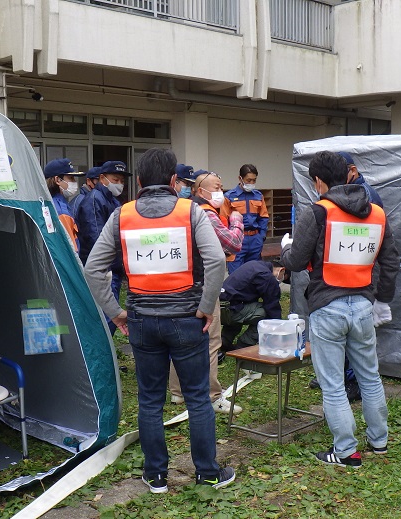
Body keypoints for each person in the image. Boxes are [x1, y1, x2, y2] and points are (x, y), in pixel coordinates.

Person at [83, 148, 235, 493]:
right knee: (197, 398)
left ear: (138, 182)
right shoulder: (190, 211)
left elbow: (93, 269)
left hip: (141, 321)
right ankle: (208, 473)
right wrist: (206, 306)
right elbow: (216, 262)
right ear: (173, 181)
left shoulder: (122, 215)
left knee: (150, 400)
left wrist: (117, 312)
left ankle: (155, 476)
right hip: (186, 320)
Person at [280, 151, 399, 467]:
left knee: (332, 385)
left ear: (319, 181)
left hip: (326, 306)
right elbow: (390, 260)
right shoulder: (375, 213)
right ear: (348, 174)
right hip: (363, 305)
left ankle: (346, 452)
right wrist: (382, 300)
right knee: (370, 378)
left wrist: (286, 248)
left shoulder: (318, 212)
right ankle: (379, 442)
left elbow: (294, 261)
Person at [168, 169, 245, 414]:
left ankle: (177, 393)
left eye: (221, 186)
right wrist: (236, 221)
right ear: (200, 191)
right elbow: (233, 243)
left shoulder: (183, 211)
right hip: (204, 283)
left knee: (179, 338)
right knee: (211, 339)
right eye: (215, 187)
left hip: (181, 282)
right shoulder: (206, 214)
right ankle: (213, 394)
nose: (220, 192)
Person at [78, 161, 131, 334]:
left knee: (110, 318)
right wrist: (106, 267)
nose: (120, 184)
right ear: (102, 178)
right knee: (105, 319)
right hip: (104, 270)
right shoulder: (94, 200)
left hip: (113, 269)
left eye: (122, 180)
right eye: (116, 179)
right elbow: (95, 236)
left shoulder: (112, 200)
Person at [220, 258, 284, 354]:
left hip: (219, 308)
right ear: (282, 270)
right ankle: (243, 345)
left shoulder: (254, 265)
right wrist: (279, 329)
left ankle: (224, 341)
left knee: (243, 309)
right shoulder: (266, 276)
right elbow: (272, 307)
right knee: (265, 313)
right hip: (229, 311)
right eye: (285, 277)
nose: (282, 280)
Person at [225, 164, 269, 274]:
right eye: (248, 180)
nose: (251, 183)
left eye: (254, 180)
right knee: (236, 275)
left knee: (254, 273)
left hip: (255, 239)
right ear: (240, 178)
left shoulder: (258, 196)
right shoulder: (229, 197)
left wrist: (261, 236)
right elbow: (223, 221)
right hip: (237, 240)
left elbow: (263, 217)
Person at [44, 158, 85, 251]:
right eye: (70, 178)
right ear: (57, 180)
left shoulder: (50, 203)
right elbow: (71, 250)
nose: (74, 182)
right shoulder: (61, 210)